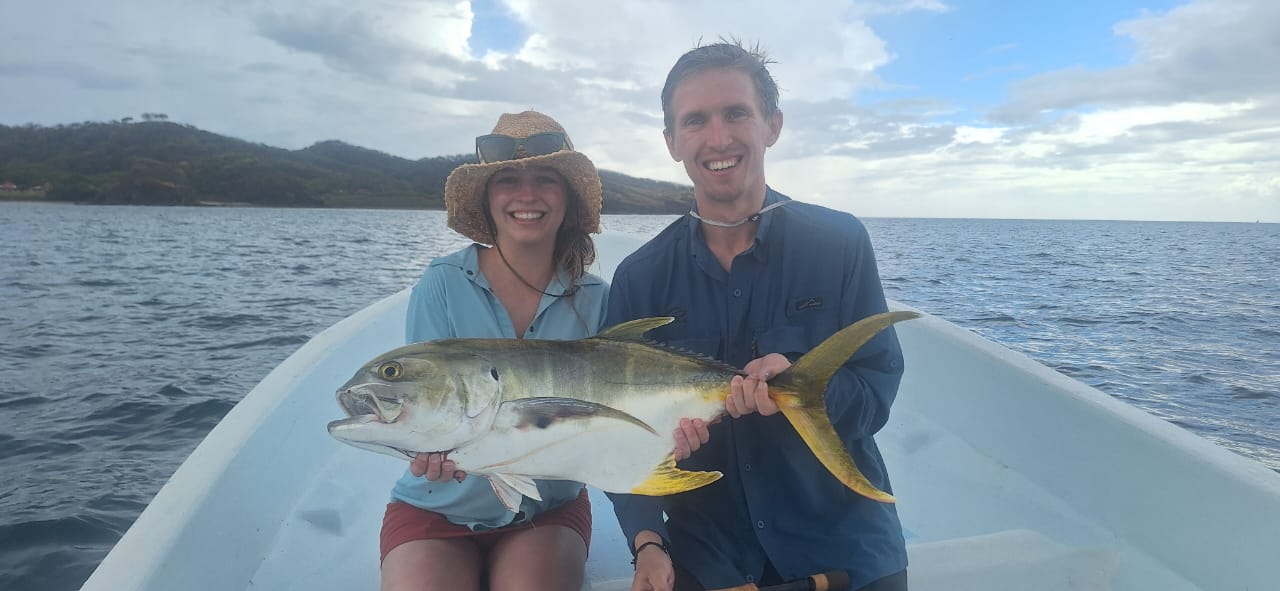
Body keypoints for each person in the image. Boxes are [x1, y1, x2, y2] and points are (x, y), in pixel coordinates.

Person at [607, 42, 910, 591]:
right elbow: (615, 429)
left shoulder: (839, 244)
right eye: (695, 120)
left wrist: (804, 388)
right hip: (708, 554)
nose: (718, 138)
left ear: (772, 125)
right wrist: (647, 540)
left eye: (736, 113)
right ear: (672, 142)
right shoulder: (639, 277)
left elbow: (874, 394)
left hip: (845, 545)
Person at [379, 110, 608, 591]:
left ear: (567, 197)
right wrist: (421, 447)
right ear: (487, 198)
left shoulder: (597, 300)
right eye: (508, 180)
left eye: (545, 179)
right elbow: (421, 400)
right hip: (436, 506)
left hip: (547, 508)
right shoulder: (442, 284)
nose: (527, 194)